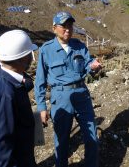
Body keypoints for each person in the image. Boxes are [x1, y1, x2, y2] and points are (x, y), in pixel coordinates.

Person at [34, 11, 102, 167]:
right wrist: (42, 107)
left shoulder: (79, 46)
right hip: (61, 97)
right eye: (63, 26)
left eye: (70, 25)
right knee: (61, 139)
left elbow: (87, 66)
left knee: (92, 136)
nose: (67, 29)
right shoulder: (46, 50)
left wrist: (93, 67)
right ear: (54, 28)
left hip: (82, 95)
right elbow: (40, 81)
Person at [0, 29, 38, 167]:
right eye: (30, 53)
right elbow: (2, 147)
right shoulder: (4, 94)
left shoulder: (9, 81)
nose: (32, 56)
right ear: (23, 58)